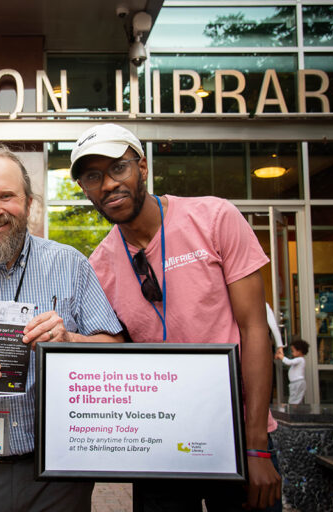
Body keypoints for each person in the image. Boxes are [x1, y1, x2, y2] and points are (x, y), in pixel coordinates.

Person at [70, 124, 282, 511]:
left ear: (143, 168)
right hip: (160, 442)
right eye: (92, 176)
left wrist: (257, 447)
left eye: (118, 168)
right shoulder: (98, 265)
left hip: (236, 435)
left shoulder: (215, 217)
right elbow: (114, 352)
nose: (107, 185)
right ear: (84, 188)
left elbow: (254, 331)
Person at [0, 144, 124, 512]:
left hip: (56, 477)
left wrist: (69, 339)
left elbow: (115, 348)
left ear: (29, 203)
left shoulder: (69, 264)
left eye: (6, 196)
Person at [276, 338, 309, 404]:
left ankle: (293, 411)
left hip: (297, 383)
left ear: (299, 351)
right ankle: (294, 410)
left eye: (293, 351)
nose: (292, 353)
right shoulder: (299, 360)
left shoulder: (300, 360)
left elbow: (289, 362)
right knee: (295, 399)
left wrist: (281, 356)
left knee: (294, 400)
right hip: (295, 383)